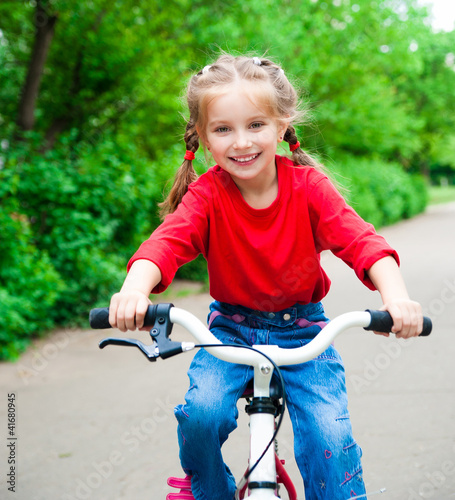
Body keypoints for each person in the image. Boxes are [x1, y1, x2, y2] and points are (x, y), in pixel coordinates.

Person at [108, 54, 423, 500]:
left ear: (281, 125)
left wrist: (397, 299)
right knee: (201, 415)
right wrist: (133, 291)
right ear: (202, 136)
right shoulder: (207, 196)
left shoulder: (309, 188)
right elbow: (164, 245)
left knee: (328, 436)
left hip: (304, 332)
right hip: (229, 333)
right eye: (222, 129)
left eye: (255, 125)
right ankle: (206, 491)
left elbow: (363, 243)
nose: (241, 142)